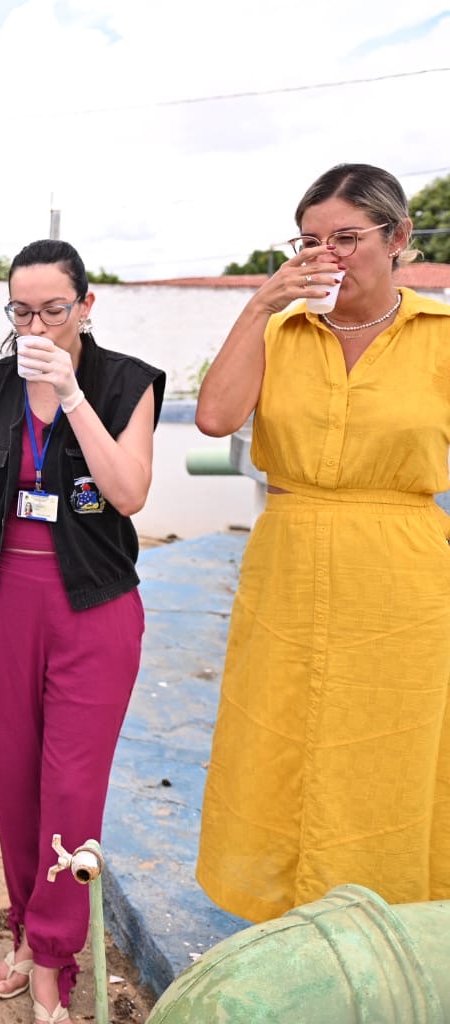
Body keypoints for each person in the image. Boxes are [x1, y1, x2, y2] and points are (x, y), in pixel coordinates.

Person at [195, 163, 450, 922]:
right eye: (310, 241)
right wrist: (261, 303)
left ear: (399, 238)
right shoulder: (281, 331)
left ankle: (383, 920)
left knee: (390, 747)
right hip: (289, 560)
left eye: (348, 237)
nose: (328, 255)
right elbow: (214, 419)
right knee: (277, 740)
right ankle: (280, 920)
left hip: (402, 571)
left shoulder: (442, 337)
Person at [0, 240, 164, 1023]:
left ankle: (55, 956)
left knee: (71, 784)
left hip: (94, 608)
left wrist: (71, 397)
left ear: (86, 306)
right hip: (1, 603)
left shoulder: (125, 383)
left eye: (53, 309)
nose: (36, 323)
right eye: (21, 310)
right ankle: (30, 932)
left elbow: (128, 493)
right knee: (17, 780)